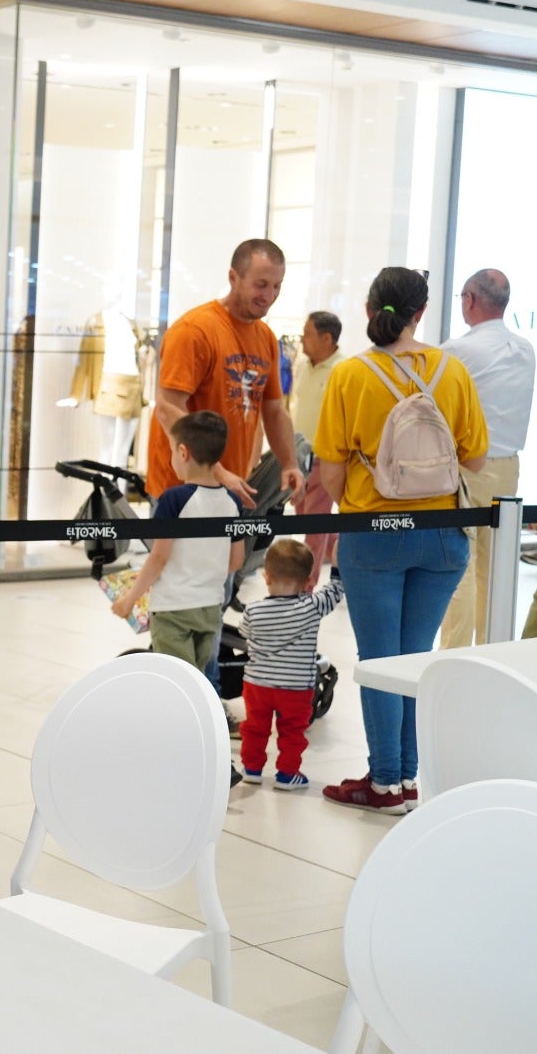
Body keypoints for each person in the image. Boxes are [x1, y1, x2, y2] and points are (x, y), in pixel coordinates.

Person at [313, 267, 487, 815]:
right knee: (415, 658)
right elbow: (476, 457)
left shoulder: (350, 375)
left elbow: (332, 474)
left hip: (374, 536)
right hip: (442, 539)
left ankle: (386, 782)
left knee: (380, 660)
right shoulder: (451, 371)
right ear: (421, 312)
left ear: (370, 311)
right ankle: (407, 780)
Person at [145, 238, 302, 508]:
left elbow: (274, 410)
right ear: (233, 277)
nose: (269, 295)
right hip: (181, 490)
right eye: (261, 284)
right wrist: (216, 472)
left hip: (231, 487)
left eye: (277, 286)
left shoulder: (265, 338)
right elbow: (167, 408)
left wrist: (289, 463)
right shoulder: (194, 331)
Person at [440, 268, 535, 648]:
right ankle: (492, 652)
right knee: (495, 570)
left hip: (467, 467)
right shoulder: (525, 350)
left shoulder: (458, 350)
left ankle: (454, 655)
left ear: (470, 300)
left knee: (460, 566)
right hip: (508, 470)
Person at [112, 411, 245, 671]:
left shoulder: (173, 499)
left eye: (172, 450)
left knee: (176, 680)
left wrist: (129, 600)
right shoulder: (233, 502)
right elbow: (236, 560)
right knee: (197, 679)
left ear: (183, 453)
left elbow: (159, 558)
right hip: (210, 607)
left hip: (174, 610)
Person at [238, 540, 345, 791]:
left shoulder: (253, 610)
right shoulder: (312, 606)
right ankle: (287, 774)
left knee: (254, 727)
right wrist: (337, 566)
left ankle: (251, 769)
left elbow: (245, 633)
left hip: (257, 684)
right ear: (308, 581)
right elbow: (336, 590)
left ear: (266, 576)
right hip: (296, 687)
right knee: (292, 731)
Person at [287, 311, 344, 587]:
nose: (301, 339)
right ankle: (344, 559)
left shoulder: (341, 370)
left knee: (314, 523)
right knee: (305, 517)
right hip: (299, 454)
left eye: (307, 334)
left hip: (325, 457)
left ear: (327, 338)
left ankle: (305, 587)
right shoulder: (302, 366)